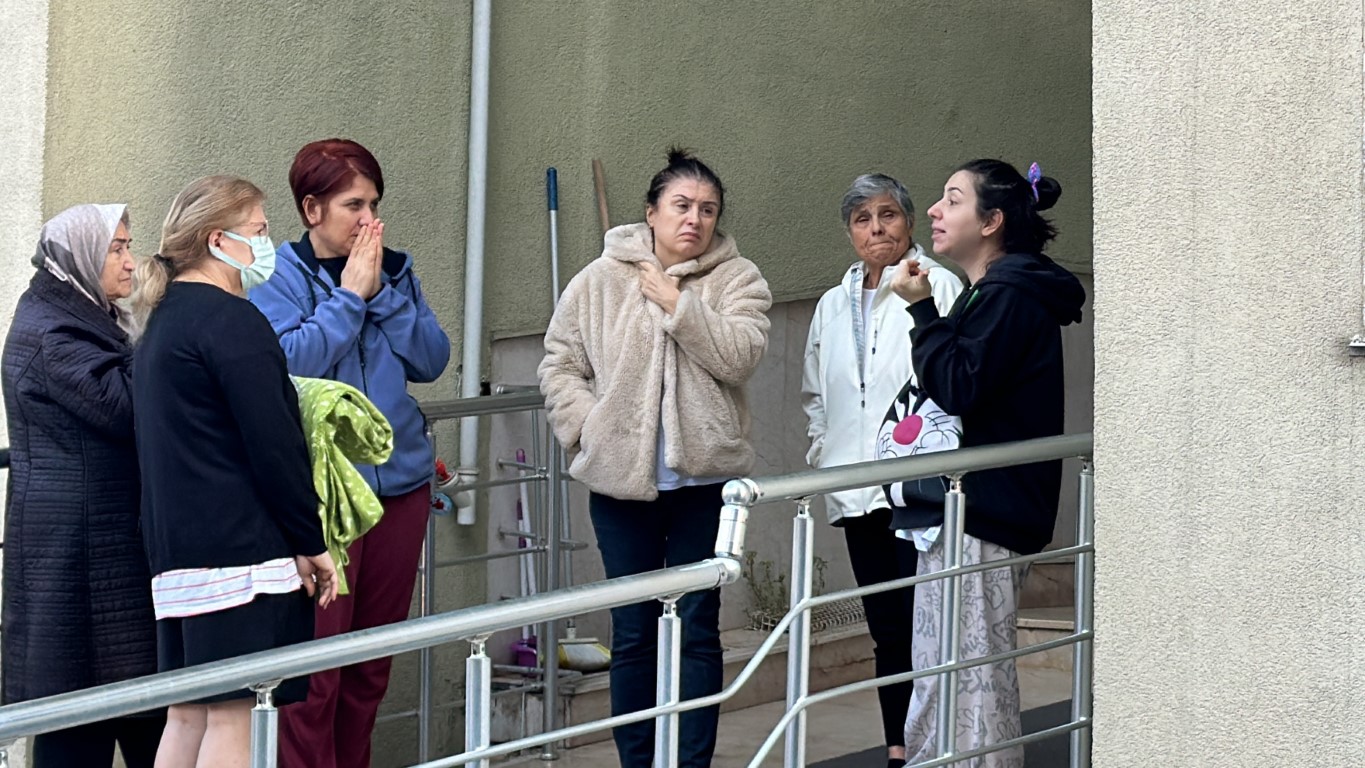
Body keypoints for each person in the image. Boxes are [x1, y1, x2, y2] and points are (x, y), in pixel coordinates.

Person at [538, 148, 771, 768]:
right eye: (681, 206)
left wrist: (678, 304)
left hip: (706, 482)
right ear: (651, 211)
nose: (694, 219)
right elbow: (560, 363)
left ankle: (692, 762)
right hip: (621, 486)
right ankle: (637, 761)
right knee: (635, 632)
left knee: (698, 628)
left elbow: (741, 356)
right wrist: (590, 429)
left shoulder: (738, 278)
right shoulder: (598, 279)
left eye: (707, 210)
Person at [249, 138, 450, 768]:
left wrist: (382, 292)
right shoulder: (276, 277)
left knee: (369, 668)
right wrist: (349, 299)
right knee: (316, 676)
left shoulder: (395, 269)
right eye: (352, 205)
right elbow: (285, 366)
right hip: (327, 497)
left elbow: (432, 358)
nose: (370, 221)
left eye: (374, 204)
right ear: (311, 209)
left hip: (402, 489)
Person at [131, 175, 339, 768]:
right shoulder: (232, 321)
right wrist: (309, 539)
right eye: (260, 231)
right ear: (218, 240)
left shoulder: (162, 322)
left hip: (177, 552)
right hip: (239, 552)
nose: (267, 244)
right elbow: (275, 445)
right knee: (233, 715)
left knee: (187, 712)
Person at [887, 159, 1085, 767]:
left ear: (993, 221)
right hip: (970, 511)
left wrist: (922, 311)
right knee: (945, 674)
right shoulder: (994, 292)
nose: (936, 212)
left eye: (953, 200)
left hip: (984, 514)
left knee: (968, 683)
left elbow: (959, 385)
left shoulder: (1009, 294)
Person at [800, 174, 962, 768]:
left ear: (910, 222)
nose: (877, 229)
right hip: (852, 487)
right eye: (863, 219)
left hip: (917, 485)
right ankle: (898, 745)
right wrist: (827, 452)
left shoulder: (936, 283)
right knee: (886, 630)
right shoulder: (830, 303)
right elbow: (815, 392)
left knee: (927, 621)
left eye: (888, 215)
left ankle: (935, 740)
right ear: (849, 232)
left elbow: (949, 377)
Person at [1, 204, 162, 767]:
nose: (129, 261)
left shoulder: (88, 316)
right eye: (115, 249)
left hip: (98, 552)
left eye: (128, 245)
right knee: (77, 724)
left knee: (140, 711)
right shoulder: (52, 332)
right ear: (80, 257)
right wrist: (164, 332)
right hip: (72, 558)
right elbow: (124, 407)